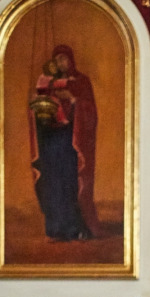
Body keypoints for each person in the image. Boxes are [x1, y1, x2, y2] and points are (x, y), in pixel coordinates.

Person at [29, 44, 100, 241]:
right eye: (58, 59)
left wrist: (73, 99)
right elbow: (40, 107)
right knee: (52, 184)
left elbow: (91, 111)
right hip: (51, 141)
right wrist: (36, 104)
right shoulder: (48, 81)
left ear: (71, 60)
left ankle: (73, 228)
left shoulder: (81, 81)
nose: (61, 63)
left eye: (64, 59)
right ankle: (55, 229)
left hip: (70, 141)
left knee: (70, 184)